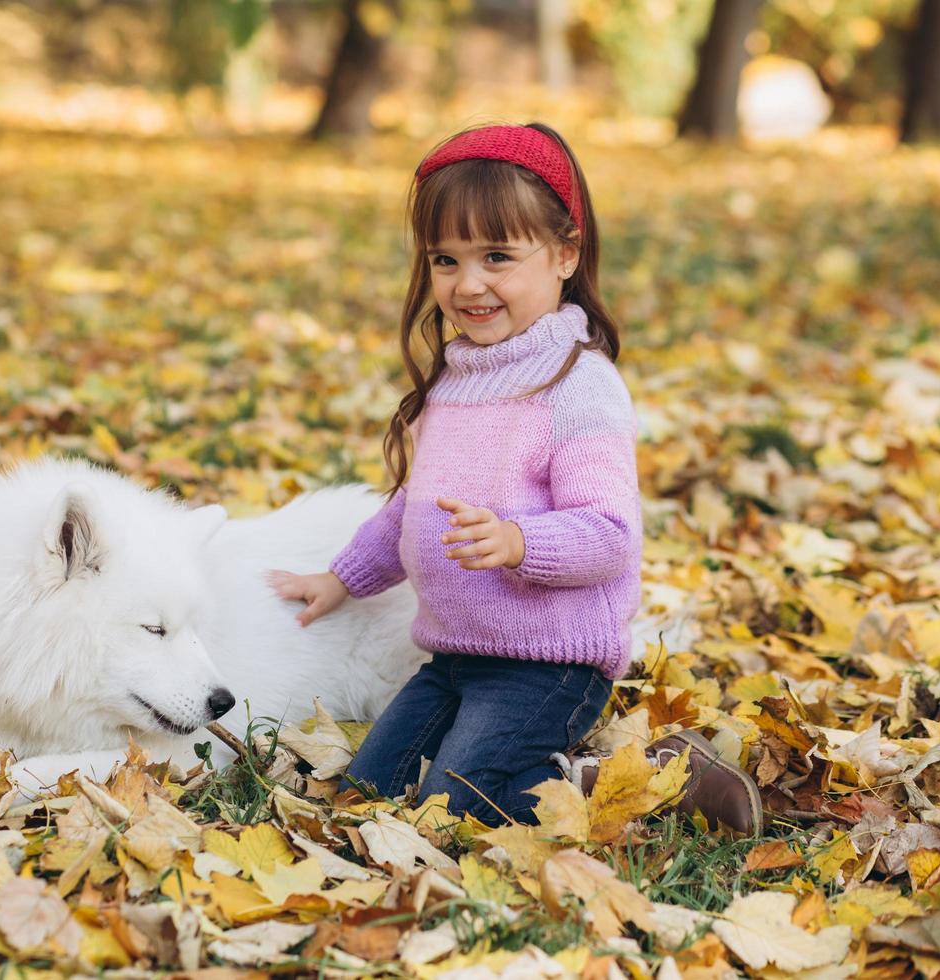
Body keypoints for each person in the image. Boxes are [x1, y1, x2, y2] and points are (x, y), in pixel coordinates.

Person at [269, 123, 761, 833]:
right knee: (370, 794)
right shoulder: (455, 382)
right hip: (454, 656)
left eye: (497, 256)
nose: (468, 284)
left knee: (460, 810)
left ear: (565, 254)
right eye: (446, 259)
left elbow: (610, 534)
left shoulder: (578, 386)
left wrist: (518, 541)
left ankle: (648, 778)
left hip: (548, 664)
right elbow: (411, 511)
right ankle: (525, 767)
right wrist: (342, 579)